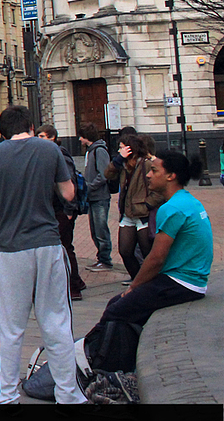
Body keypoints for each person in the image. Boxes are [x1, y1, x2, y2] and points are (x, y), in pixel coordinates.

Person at [0, 105, 86, 405]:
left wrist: (6, 187)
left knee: (10, 329)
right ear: (30, 124)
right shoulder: (49, 150)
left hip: (11, 249)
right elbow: (68, 194)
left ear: (2, 131)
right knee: (57, 324)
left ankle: (7, 397)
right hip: (49, 244)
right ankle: (69, 395)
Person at [83, 150, 212, 369]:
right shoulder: (187, 200)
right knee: (119, 304)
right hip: (190, 280)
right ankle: (115, 360)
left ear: (170, 176)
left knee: (117, 309)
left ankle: (96, 361)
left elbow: (156, 259)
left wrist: (134, 286)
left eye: (154, 170)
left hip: (182, 283)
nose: (149, 175)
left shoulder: (171, 208)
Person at [38, 124, 86, 301]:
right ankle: (77, 281)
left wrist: (68, 209)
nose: (39, 140)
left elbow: (68, 182)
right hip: (54, 208)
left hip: (62, 209)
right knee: (63, 246)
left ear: (52, 137)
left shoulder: (60, 154)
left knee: (65, 247)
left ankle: (74, 287)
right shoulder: (48, 154)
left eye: (42, 136)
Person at [112, 133, 163, 283]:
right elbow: (108, 174)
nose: (119, 151)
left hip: (142, 214)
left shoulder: (146, 164)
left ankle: (152, 280)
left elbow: (159, 190)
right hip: (128, 213)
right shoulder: (123, 165)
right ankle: (138, 280)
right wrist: (118, 160)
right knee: (125, 250)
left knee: (147, 250)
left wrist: (147, 204)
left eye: (122, 148)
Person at [79, 124, 114, 272]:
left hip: (99, 196)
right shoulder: (90, 151)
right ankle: (101, 257)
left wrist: (90, 186)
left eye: (81, 136)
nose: (79, 139)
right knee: (94, 229)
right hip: (92, 197)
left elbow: (104, 173)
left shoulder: (99, 151)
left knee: (101, 229)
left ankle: (105, 260)